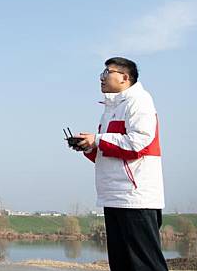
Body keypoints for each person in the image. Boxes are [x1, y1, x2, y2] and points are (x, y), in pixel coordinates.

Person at [71, 57, 168, 271]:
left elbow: (138, 144)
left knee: (145, 264)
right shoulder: (110, 108)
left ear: (125, 77)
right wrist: (88, 146)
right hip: (114, 195)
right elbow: (109, 152)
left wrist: (97, 139)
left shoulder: (140, 101)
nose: (102, 78)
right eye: (102, 74)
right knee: (121, 263)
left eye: (107, 73)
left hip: (136, 197)